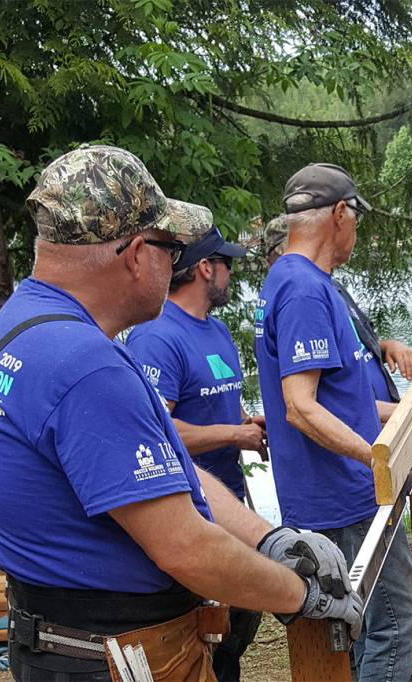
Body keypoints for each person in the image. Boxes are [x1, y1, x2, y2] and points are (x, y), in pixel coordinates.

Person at [0, 146, 362, 682]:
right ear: (132, 253)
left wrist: (266, 539)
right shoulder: (84, 366)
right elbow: (185, 547)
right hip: (113, 654)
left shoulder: (26, 324)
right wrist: (302, 596)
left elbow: (163, 472)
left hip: (64, 641)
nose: (174, 264)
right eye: (170, 248)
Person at [254, 164, 412, 682]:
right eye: (356, 218)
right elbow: (300, 406)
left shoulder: (297, 280)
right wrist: (379, 458)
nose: (356, 231)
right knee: (399, 624)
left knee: (363, 629)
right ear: (340, 214)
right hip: (343, 496)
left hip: (338, 490)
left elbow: (342, 398)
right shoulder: (304, 289)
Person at [126, 211, 264, 682]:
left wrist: (246, 424)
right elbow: (156, 431)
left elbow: (208, 412)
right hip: (188, 512)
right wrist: (235, 435)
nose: (231, 274)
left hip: (230, 500)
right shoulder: (157, 336)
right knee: (203, 636)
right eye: (227, 264)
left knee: (236, 629)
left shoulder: (217, 331)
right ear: (206, 267)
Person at [264, 215, 412, 405]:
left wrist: (387, 346)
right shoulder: (298, 302)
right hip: (365, 426)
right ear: (271, 261)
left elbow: (353, 347)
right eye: (288, 254)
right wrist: (401, 411)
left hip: (385, 421)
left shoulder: (332, 288)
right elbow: (319, 404)